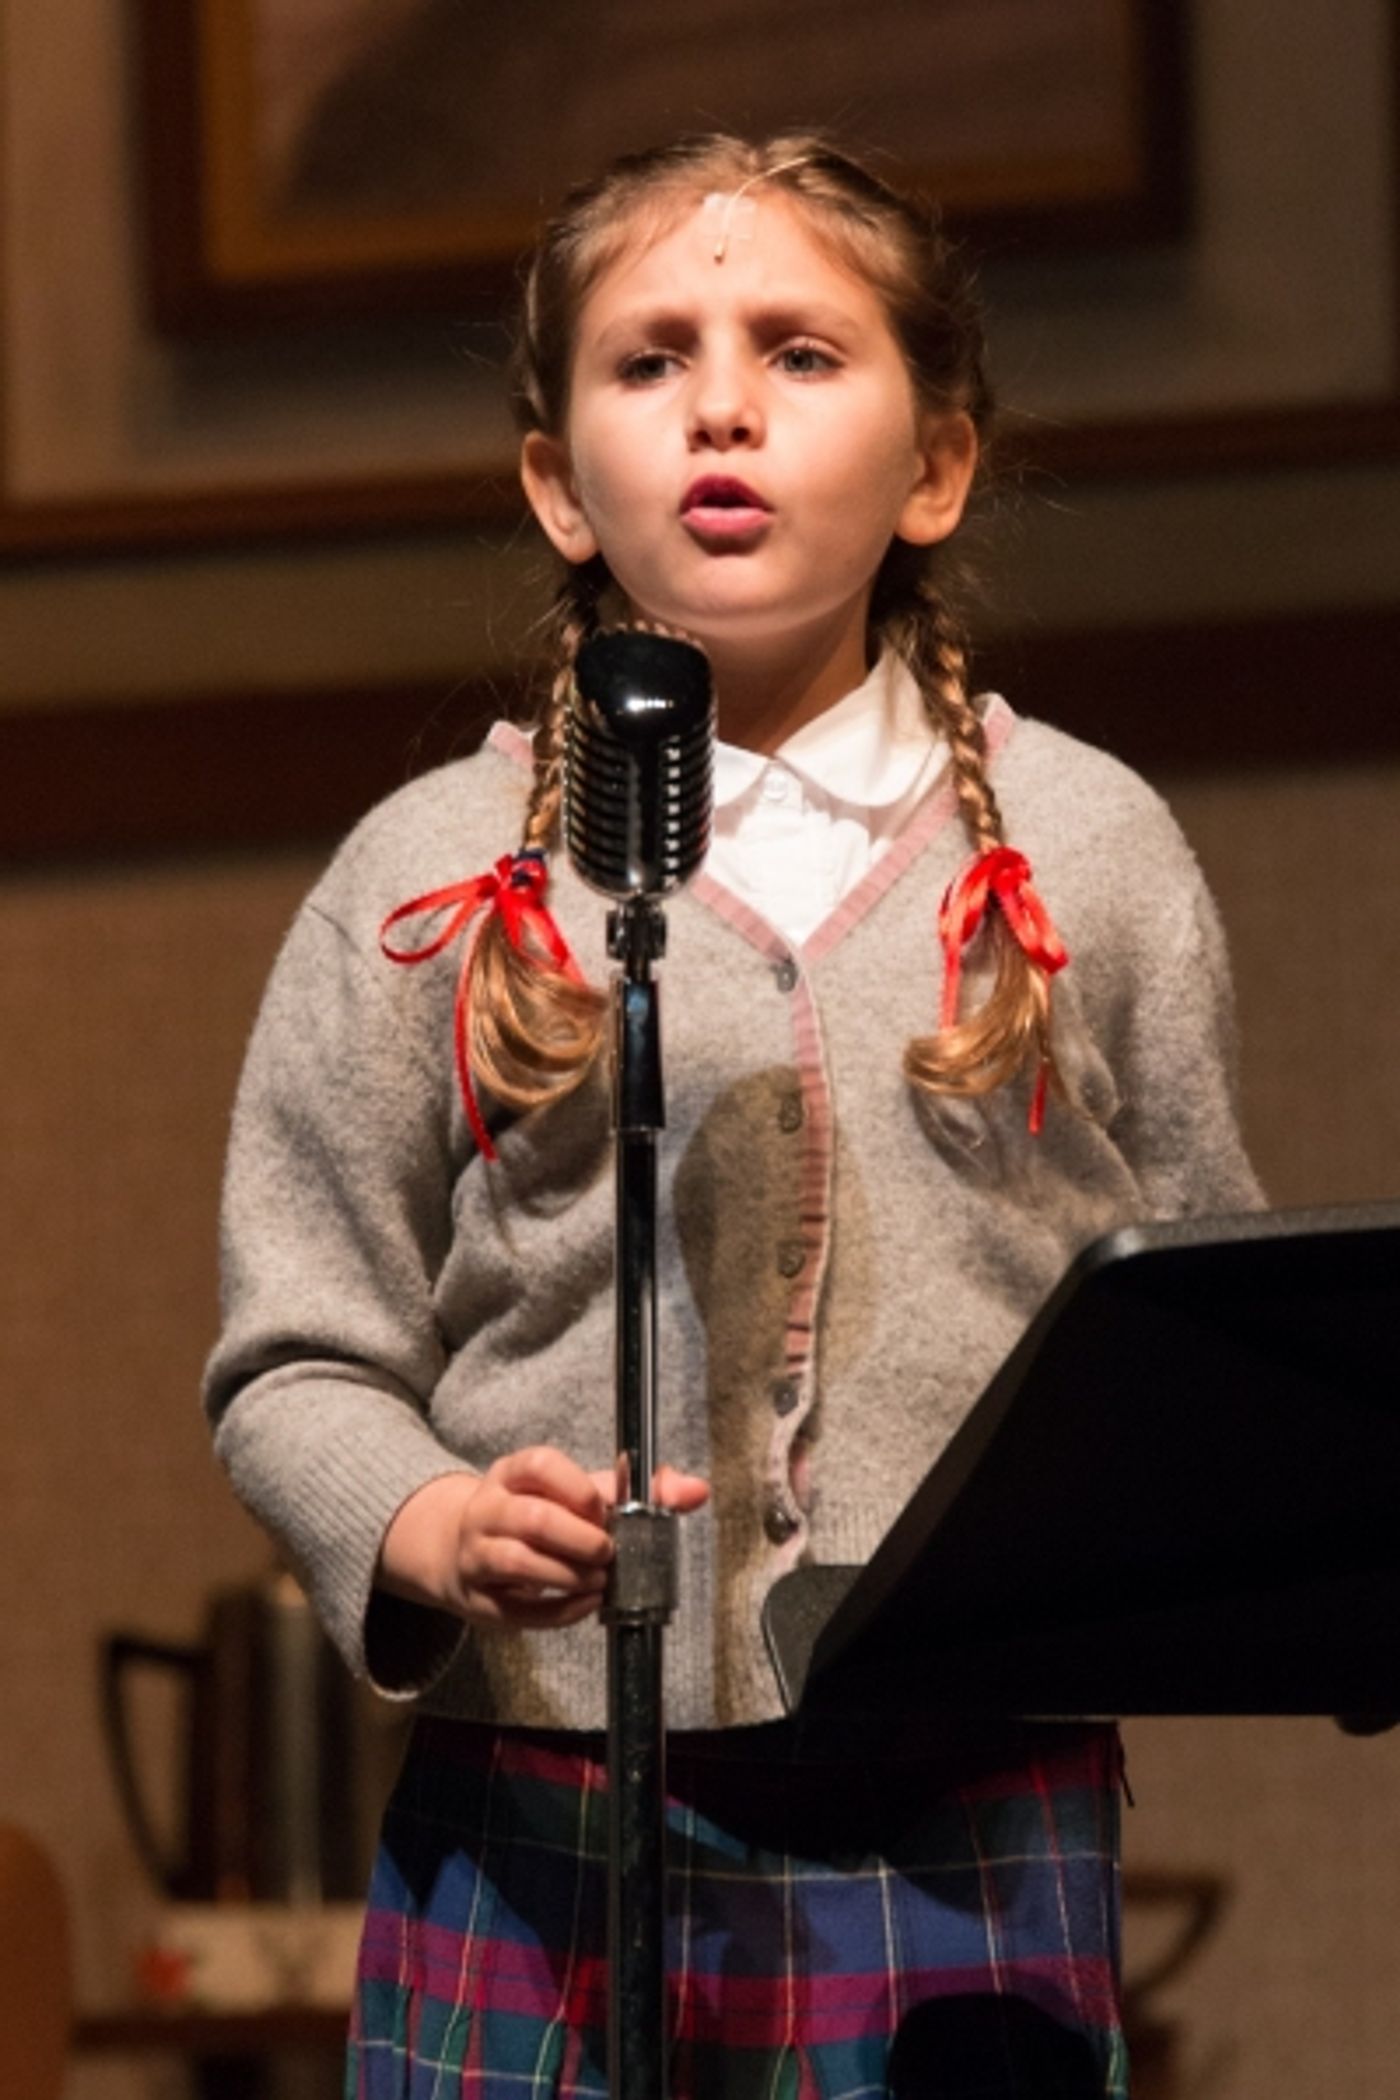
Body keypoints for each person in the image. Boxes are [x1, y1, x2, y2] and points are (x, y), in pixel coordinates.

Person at [205, 133, 1262, 2099]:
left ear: (934, 462)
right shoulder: (430, 873)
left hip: (962, 1807)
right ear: (555, 484)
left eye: (795, 352)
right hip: (544, 1818)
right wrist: (430, 1519)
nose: (717, 406)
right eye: (646, 360)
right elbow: (293, 1355)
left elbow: (1202, 1335)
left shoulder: (1084, 850)